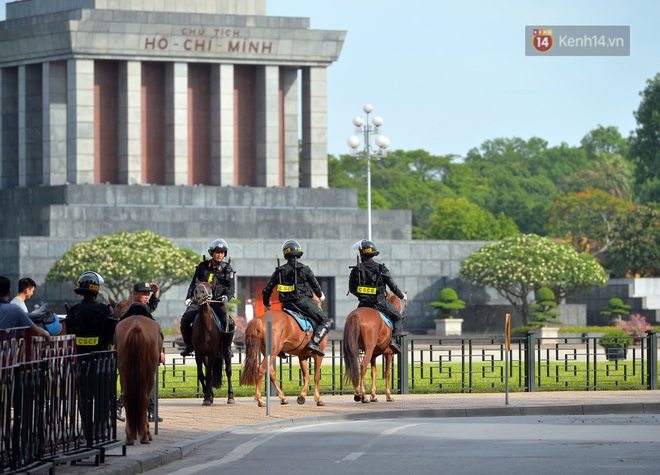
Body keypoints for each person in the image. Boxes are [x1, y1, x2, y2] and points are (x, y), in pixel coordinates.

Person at [262, 240, 329, 357]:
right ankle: (314, 343)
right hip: (304, 303)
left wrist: (266, 303)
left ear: (285, 254)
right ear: (298, 254)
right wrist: (320, 295)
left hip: (287, 306)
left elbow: (266, 290)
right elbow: (316, 286)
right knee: (325, 321)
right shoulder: (305, 269)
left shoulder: (279, 271)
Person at [116, 282, 165, 423]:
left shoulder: (144, 308)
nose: (146, 296)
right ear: (135, 294)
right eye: (143, 294)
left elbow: (151, 306)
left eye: (147, 294)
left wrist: (154, 295)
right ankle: (120, 406)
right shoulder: (130, 310)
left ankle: (150, 411)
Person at [179, 239, 236, 357]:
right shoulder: (202, 267)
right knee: (185, 320)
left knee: (229, 324)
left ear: (225, 254)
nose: (219, 255)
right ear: (212, 253)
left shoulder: (227, 269)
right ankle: (189, 346)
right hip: (200, 301)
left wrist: (226, 297)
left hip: (217, 301)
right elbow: (193, 283)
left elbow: (231, 287)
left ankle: (226, 348)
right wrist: (189, 298)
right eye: (217, 252)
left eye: (222, 252)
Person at [349, 239, 407, 354]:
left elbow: (352, 289)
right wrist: (402, 296)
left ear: (361, 254)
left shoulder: (356, 269)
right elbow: (393, 287)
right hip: (380, 303)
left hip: (363, 304)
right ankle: (394, 341)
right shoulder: (381, 268)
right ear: (373, 254)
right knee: (397, 317)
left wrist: (362, 295)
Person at [65, 271, 117, 353]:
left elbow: (69, 332)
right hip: (100, 356)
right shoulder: (105, 310)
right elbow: (109, 334)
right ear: (96, 290)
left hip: (79, 355)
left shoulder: (73, 310)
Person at [0, 275, 51, 342]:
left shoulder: (16, 305)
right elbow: (33, 330)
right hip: (7, 350)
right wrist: (45, 333)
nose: (32, 293)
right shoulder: (15, 309)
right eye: (32, 291)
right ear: (9, 292)